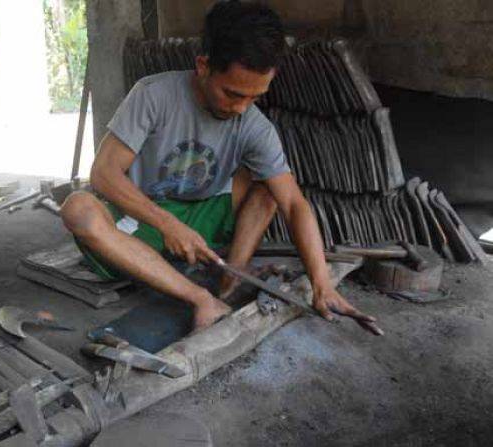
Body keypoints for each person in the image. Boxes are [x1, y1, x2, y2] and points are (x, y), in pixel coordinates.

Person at [60, 2, 380, 333]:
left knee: (270, 190)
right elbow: (104, 173)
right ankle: (201, 298)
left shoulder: (255, 126)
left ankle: (230, 279)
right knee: (78, 209)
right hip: (145, 220)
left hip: (204, 217)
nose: (241, 108)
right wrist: (169, 225)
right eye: (232, 93)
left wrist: (322, 283)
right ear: (203, 65)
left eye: (254, 98)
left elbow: (294, 204)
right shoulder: (153, 95)